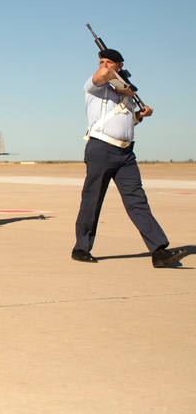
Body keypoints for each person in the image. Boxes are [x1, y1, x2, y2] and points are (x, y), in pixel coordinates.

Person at [72, 49, 182, 267]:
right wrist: (124, 86)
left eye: (108, 62)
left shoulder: (124, 97)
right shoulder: (95, 88)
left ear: (120, 66)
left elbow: (126, 123)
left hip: (125, 153)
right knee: (92, 200)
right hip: (100, 149)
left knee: (137, 201)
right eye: (100, 61)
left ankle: (159, 250)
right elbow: (102, 75)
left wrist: (141, 115)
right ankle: (81, 248)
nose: (103, 65)